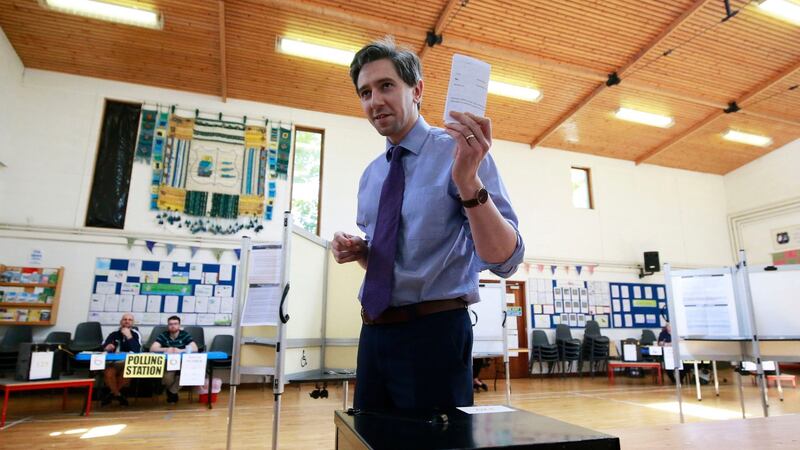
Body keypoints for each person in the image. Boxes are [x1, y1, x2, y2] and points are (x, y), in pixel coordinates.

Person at [332, 37, 524, 410]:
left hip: (433, 335)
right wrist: (360, 251)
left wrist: (468, 180)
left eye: (386, 85)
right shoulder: (372, 176)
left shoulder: (461, 152)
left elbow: (506, 259)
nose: (375, 101)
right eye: (365, 92)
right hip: (373, 334)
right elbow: (390, 260)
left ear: (417, 89)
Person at [150, 315, 198, 404]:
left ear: (179, 325)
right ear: (168, 326)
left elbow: (195, 348)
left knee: (186, 375)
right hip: (169, 363)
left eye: (175, 324)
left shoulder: (184, 334)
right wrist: (166, 349)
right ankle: (173, 391)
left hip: (184, 363)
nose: (173, 326)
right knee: (167, 378)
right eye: (170, 324)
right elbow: (152, 348)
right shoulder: (164, 335)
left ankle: (172, 392)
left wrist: (180, 350)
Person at [101, 312, 142, 406]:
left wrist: (129, 336)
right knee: (108, 373)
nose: (127, 321)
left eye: (130, 320)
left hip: (127, 362)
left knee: (128, 372)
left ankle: (112, 394)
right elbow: (104, 347)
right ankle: (118, 394)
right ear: (121, 322)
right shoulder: (114, 334)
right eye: (125, 319)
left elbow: (137, 350)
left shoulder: (136, 334)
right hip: (113, 362)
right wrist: (107, 347)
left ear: (133, 323)